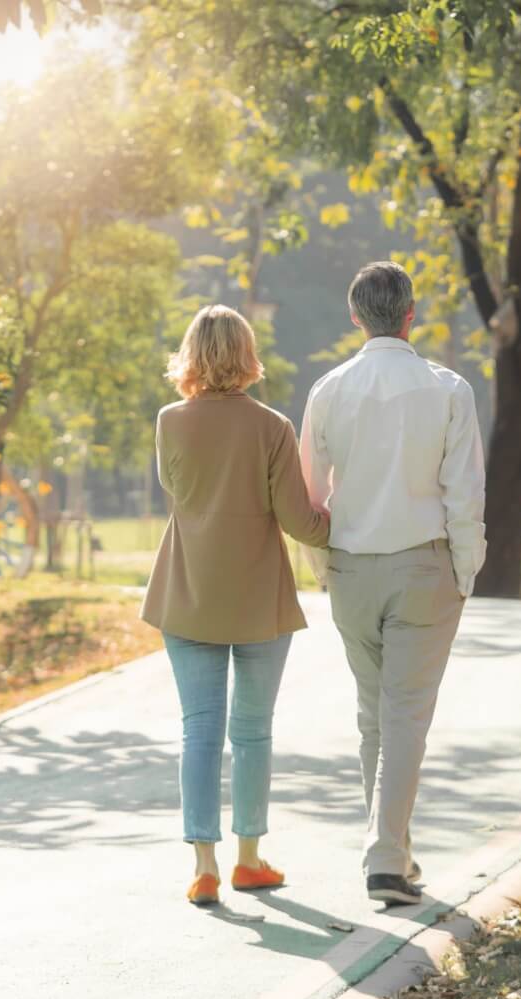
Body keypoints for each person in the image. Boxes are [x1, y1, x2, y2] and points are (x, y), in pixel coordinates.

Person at [299, 262, 486, 906]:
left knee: (374, 715)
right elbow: (465, 494)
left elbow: (310, 495)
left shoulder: (328, 390)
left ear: (356, 317)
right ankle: (384, 859)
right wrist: (466, 569)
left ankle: (395, 854)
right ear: (411, 315)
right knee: (404, 715)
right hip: (423, 565)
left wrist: (325, 567)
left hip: (352, 567)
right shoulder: (448, 390)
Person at [142, 304, 331, 906]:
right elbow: (299, 522)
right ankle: (250, 860)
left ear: (191, 354)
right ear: (247, 353)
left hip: (188, 590)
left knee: (199, 732)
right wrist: (349, 521)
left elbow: (177, 493)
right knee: (252, 732)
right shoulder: (274, 427)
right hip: (258, 600)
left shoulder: (171, 420)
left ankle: (203, 866)